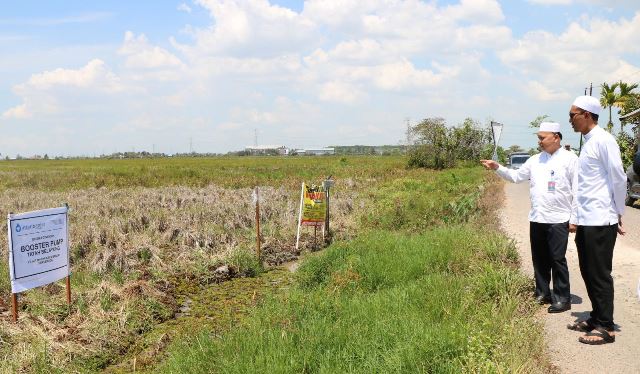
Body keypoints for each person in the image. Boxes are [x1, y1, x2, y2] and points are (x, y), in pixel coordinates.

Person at [481, 122, 577, 313]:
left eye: (543, 137)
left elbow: (578, 190)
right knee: (540, 258)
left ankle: (562, 298)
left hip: (559, 218)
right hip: (538, 217)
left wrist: (574, 218)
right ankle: (542, 293)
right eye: (538, 138)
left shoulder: (570, 159)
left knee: (557, 259)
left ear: (556, 137)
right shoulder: (535, 160)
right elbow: (516, 177)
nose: (539, 141)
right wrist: (497, 167)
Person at [567, 95, 626, 345]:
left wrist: (618, 211)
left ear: (587, 115)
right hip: (587, 219)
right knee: (587, 271)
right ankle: (596, 316)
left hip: (602, 219)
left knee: (600, 273)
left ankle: (606, 327)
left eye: (573, 115)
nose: (570, 120)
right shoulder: (589, 142)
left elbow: (619, 178)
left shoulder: (604, 140)